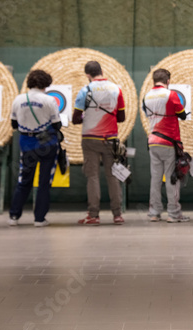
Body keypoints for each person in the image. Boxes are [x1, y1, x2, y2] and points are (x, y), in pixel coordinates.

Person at [73, 61, 126, 225]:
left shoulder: (85, 90)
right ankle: (117, 215)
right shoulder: (116, 89)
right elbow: (121, 118)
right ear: (101, 71)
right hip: (110, 139)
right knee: (113, 176)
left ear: (88, 75)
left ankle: (93, 215)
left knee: (93, 177)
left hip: (90, 139)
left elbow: (76, 119)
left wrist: (87, 117)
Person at [9, 70, 61, 227]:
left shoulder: (18, 100)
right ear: (46, 83)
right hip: (47, 145)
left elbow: (14, 125)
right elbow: (57, 125)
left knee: (24, 181)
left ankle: (14, 217)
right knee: (44, 183)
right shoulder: (49, 100)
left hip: (27, 145)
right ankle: (39, 219)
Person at [143, 68, 189, 223]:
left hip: (153, 142)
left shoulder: (147, 96)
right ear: (168, 81)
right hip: (169, 143)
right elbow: (182, 114)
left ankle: (154, 212)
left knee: (155, 179)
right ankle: (173, 213)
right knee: (172, 178)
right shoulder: (171, 95)